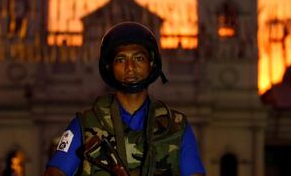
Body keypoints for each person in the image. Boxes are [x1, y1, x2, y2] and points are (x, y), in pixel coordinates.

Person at [44, 22, 205, 176]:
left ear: (151, 63)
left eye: (138, 58)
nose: (130, 67)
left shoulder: (177, 127)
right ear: (110, 67)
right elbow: (54, 173)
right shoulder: (84, 125)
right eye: (120, 60)